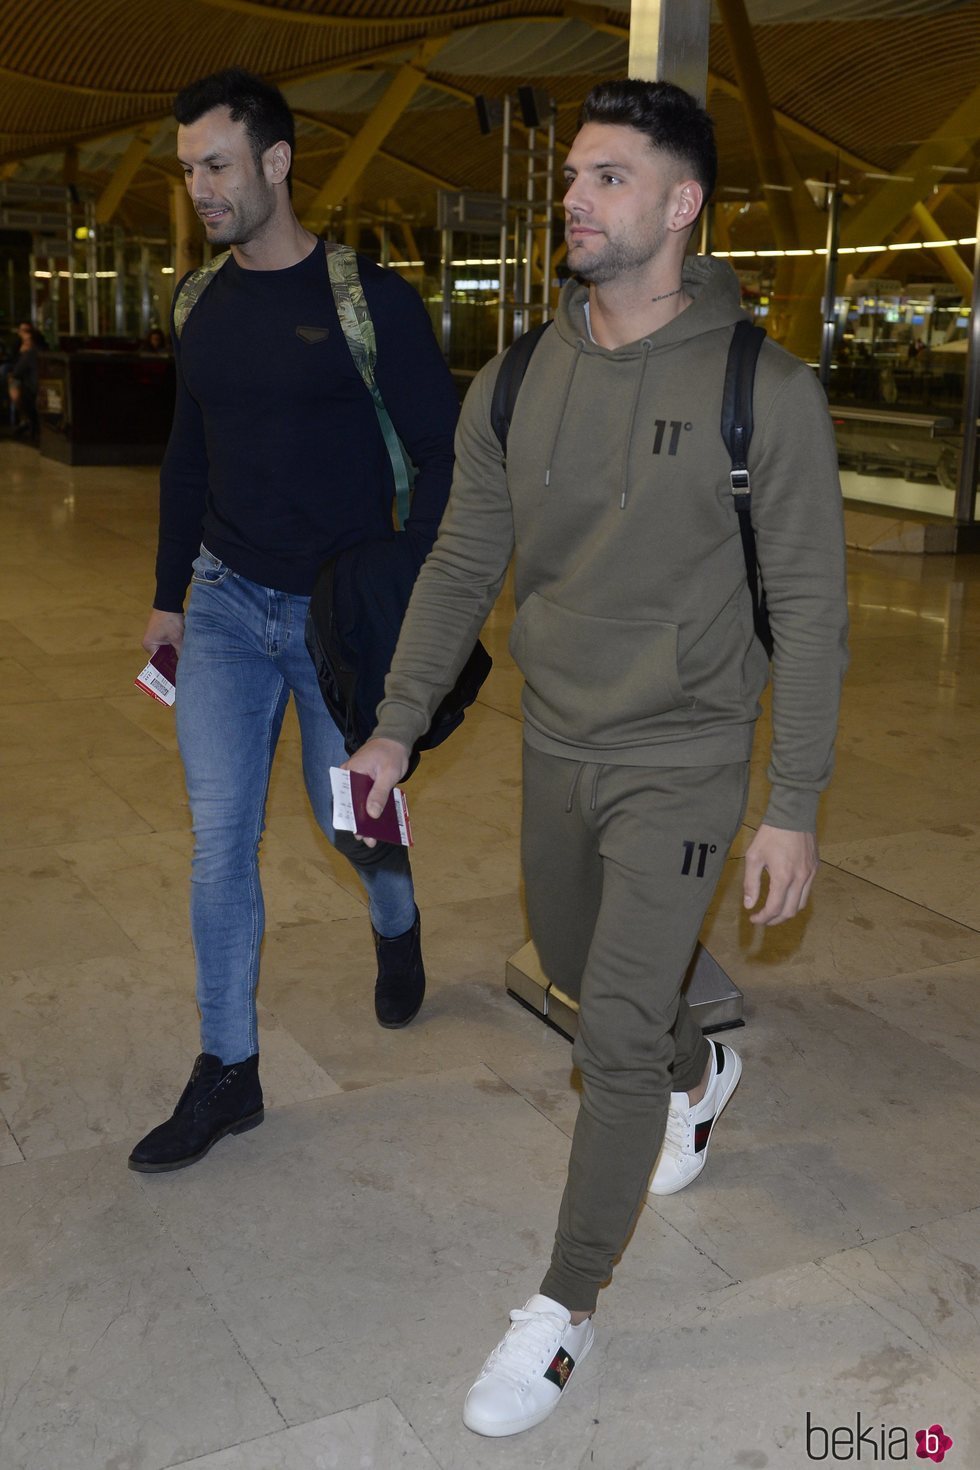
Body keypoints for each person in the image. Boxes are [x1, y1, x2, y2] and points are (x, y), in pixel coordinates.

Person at [346, 79, 849, 1437]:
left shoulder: (769, 393)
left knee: (610, 1034)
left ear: (681, 205)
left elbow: (811, 611)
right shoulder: (519, 377)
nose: (575, 197)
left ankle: (562, 1317)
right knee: (579, 977)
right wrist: (397, 719)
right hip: (555, 738)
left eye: (610, 177)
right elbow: (463, 560)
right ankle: (702, 1074)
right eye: (573, 175)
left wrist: (788, 805)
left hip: (684, 754)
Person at [128, 68, 459, 1174]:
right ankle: (230, 1071)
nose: (200, 190)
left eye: (215, 166)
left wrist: (402, 594)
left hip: (335, 624)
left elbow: (451, 465)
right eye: (187, 171)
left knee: (350, 825)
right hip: (224, 607)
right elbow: (187, 458)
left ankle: (396, 917)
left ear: (275, 163)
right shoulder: (197, 304)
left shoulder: (372, 302)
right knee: (218, 843)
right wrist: (171, 598)